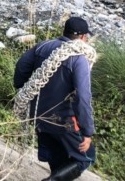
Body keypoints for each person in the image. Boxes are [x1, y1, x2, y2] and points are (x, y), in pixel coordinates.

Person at [13, 17, 97, 181]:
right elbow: (83, 97)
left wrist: (23, 87)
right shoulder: (79, 58)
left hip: (38, 114)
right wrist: (87, 131)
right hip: (63, 120)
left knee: (57, 160)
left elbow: (21, 67)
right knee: (86, 157)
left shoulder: (43, 46)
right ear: (81, 37)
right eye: (86, 37)